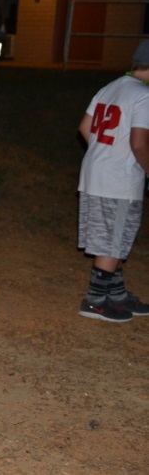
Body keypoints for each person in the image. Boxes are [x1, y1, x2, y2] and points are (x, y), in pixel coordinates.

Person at [75, 39, 149, 322]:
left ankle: (115, 294)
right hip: (118, 180)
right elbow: (140, 143)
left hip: (94, 173)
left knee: (111, 237)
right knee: (112, 242)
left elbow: (84, 126)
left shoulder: (111, 86)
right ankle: (95, 299)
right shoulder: (143, 95)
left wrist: (104, 152)